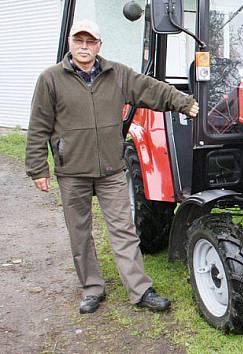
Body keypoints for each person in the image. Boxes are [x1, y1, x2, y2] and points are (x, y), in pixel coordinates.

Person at [25, 20, 199, 314]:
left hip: (111, 171)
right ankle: (92, 288)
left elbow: (150, 89)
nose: (84, 46)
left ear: (98, 46)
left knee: (124, 231)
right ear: (70, 43)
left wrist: (181, 102)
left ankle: (140, 290)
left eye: (89, 41)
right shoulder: (50, 79)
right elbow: (38, 126)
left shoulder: (116, 74)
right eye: (78, 41)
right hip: (72, 173)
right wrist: (37, 168)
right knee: (79, 233)